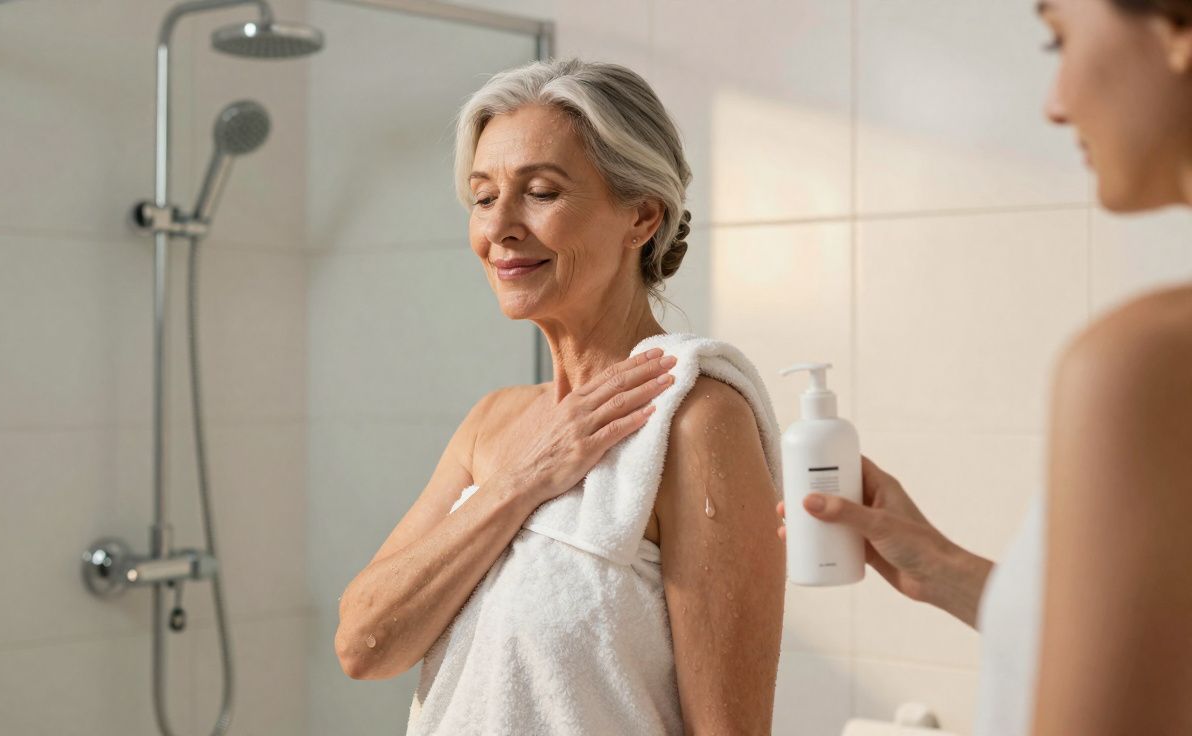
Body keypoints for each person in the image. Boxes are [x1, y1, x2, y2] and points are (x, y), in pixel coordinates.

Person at [336, 59, 784, 734]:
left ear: (641, 216)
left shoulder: (694, 419)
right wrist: (525, 478)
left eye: (540, 192)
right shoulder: (493, 425)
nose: (501, 229)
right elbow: (365, 643)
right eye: (483, 198)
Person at [779, 2, 1192, 733]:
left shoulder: (1149, 362)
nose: (1055, 104)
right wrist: (943, 570)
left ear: (1178, 30)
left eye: (1058, 39)